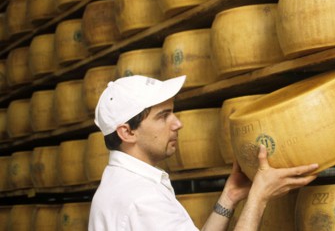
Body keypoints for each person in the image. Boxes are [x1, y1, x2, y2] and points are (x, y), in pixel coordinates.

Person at [89, 74, 318, 230]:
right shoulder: (141, 199)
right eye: (163, 116)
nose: (177, 123)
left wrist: (228, 198)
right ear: (127, 132)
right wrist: (259, 197)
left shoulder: (122, 184)